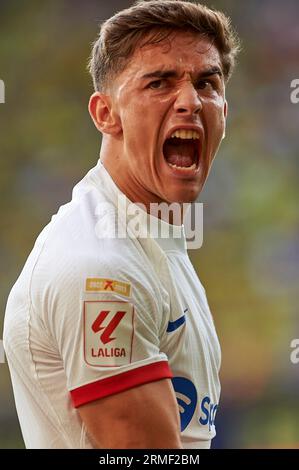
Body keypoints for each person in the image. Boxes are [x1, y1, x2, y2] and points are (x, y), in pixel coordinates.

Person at [3, 0, 240, 449]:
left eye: (207, 83)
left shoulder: (153, 240)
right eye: (159, 82)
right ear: (105, 114)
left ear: (224, 114)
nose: (190, 101)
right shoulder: (100, 271)